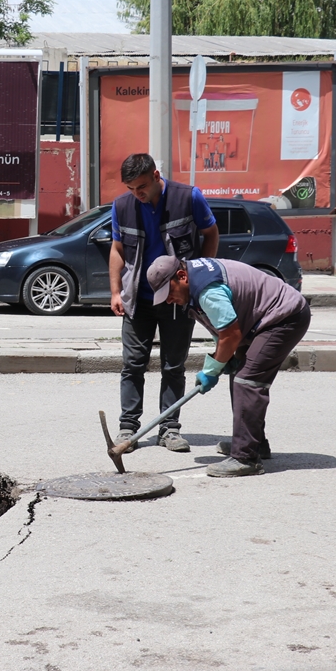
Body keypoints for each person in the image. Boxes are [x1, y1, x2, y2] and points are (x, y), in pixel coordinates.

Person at [147, 255, 311, 477]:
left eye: (169, 292)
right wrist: (223, 358)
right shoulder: (196, 281)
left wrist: (211, 370)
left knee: (247, 381)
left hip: (284, 317)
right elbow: (221, 327)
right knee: (240, 374)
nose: (168, 300)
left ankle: (246, 458)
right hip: (263, 319)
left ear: (182, 276)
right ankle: (253, 443)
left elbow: (231, 335)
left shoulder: (207, 290)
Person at [108, 153, 219, 452]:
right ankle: (128, 428)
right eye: (131, 188)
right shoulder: (121, 206)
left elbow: (210, 233)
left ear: (157, 176)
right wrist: (116, 291)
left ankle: (169, 429)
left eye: (141, 186)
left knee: (173, 365)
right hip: (138, 300)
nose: (137, 194)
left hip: (176, 298)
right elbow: (117, 249)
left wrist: (200, 277)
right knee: (133, 364)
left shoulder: (189, 197)